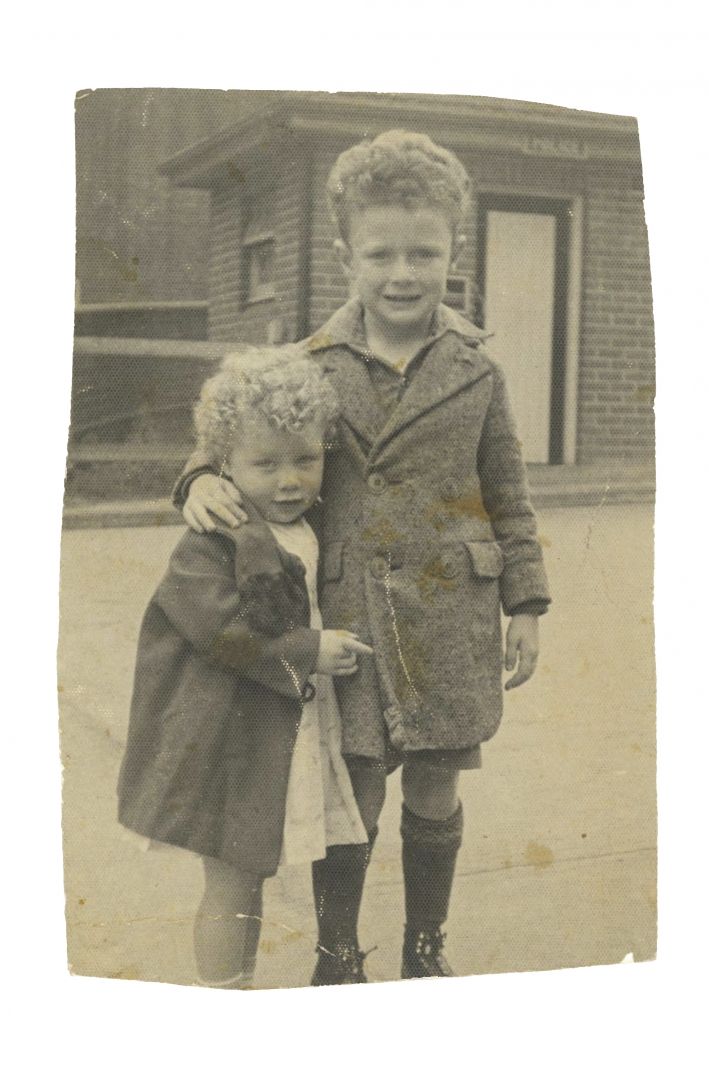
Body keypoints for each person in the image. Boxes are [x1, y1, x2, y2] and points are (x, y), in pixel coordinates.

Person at [173, 130, 552, 982]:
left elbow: (508, 493)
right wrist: (195, 476)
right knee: (353, 792)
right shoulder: (309, 363)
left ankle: (425, 949)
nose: (403, 273)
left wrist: (524, 603)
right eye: (381, 253)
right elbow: (238, 436)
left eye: (424, 252)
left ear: (455, 248)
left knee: (434, 785)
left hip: (452, 611)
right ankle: (337, 956)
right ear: (346, 253)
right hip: (347, 617)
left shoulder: (476, 367)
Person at [118, 345, 373, 989]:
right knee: (234, 879)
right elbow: (219, 635)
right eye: (264, 464)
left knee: (255, 866)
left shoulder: (308, 525)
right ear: (222, 465)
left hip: (288, 726)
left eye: (306, 460)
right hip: (230, 738)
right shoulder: (212, 538)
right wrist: (309, 650)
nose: (289, 481)